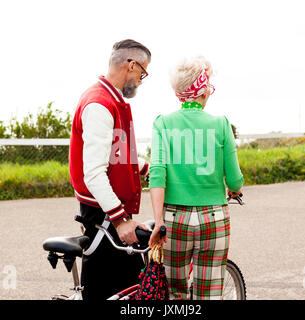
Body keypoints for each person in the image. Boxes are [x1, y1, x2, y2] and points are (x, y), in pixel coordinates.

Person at [148, 56, 244, 300]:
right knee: (209, 295)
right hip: (214, 218)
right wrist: (234, 190)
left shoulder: (163, 124)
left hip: (174, 220)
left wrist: (159, 220)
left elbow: (157, 173)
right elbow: (234, 180)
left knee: (174, 295)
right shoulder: (221, 124)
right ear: (203, 90)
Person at [69, 39, 151, 300]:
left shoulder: (108, 99)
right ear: (131, 65)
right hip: (103, 215)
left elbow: (113, 155)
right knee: (120, 291)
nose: (141, 79)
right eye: (143, 72)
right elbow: (93, 172)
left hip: (106, 211)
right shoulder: (99, 104)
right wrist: (119, 220)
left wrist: (146, 169)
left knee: (125, 289)